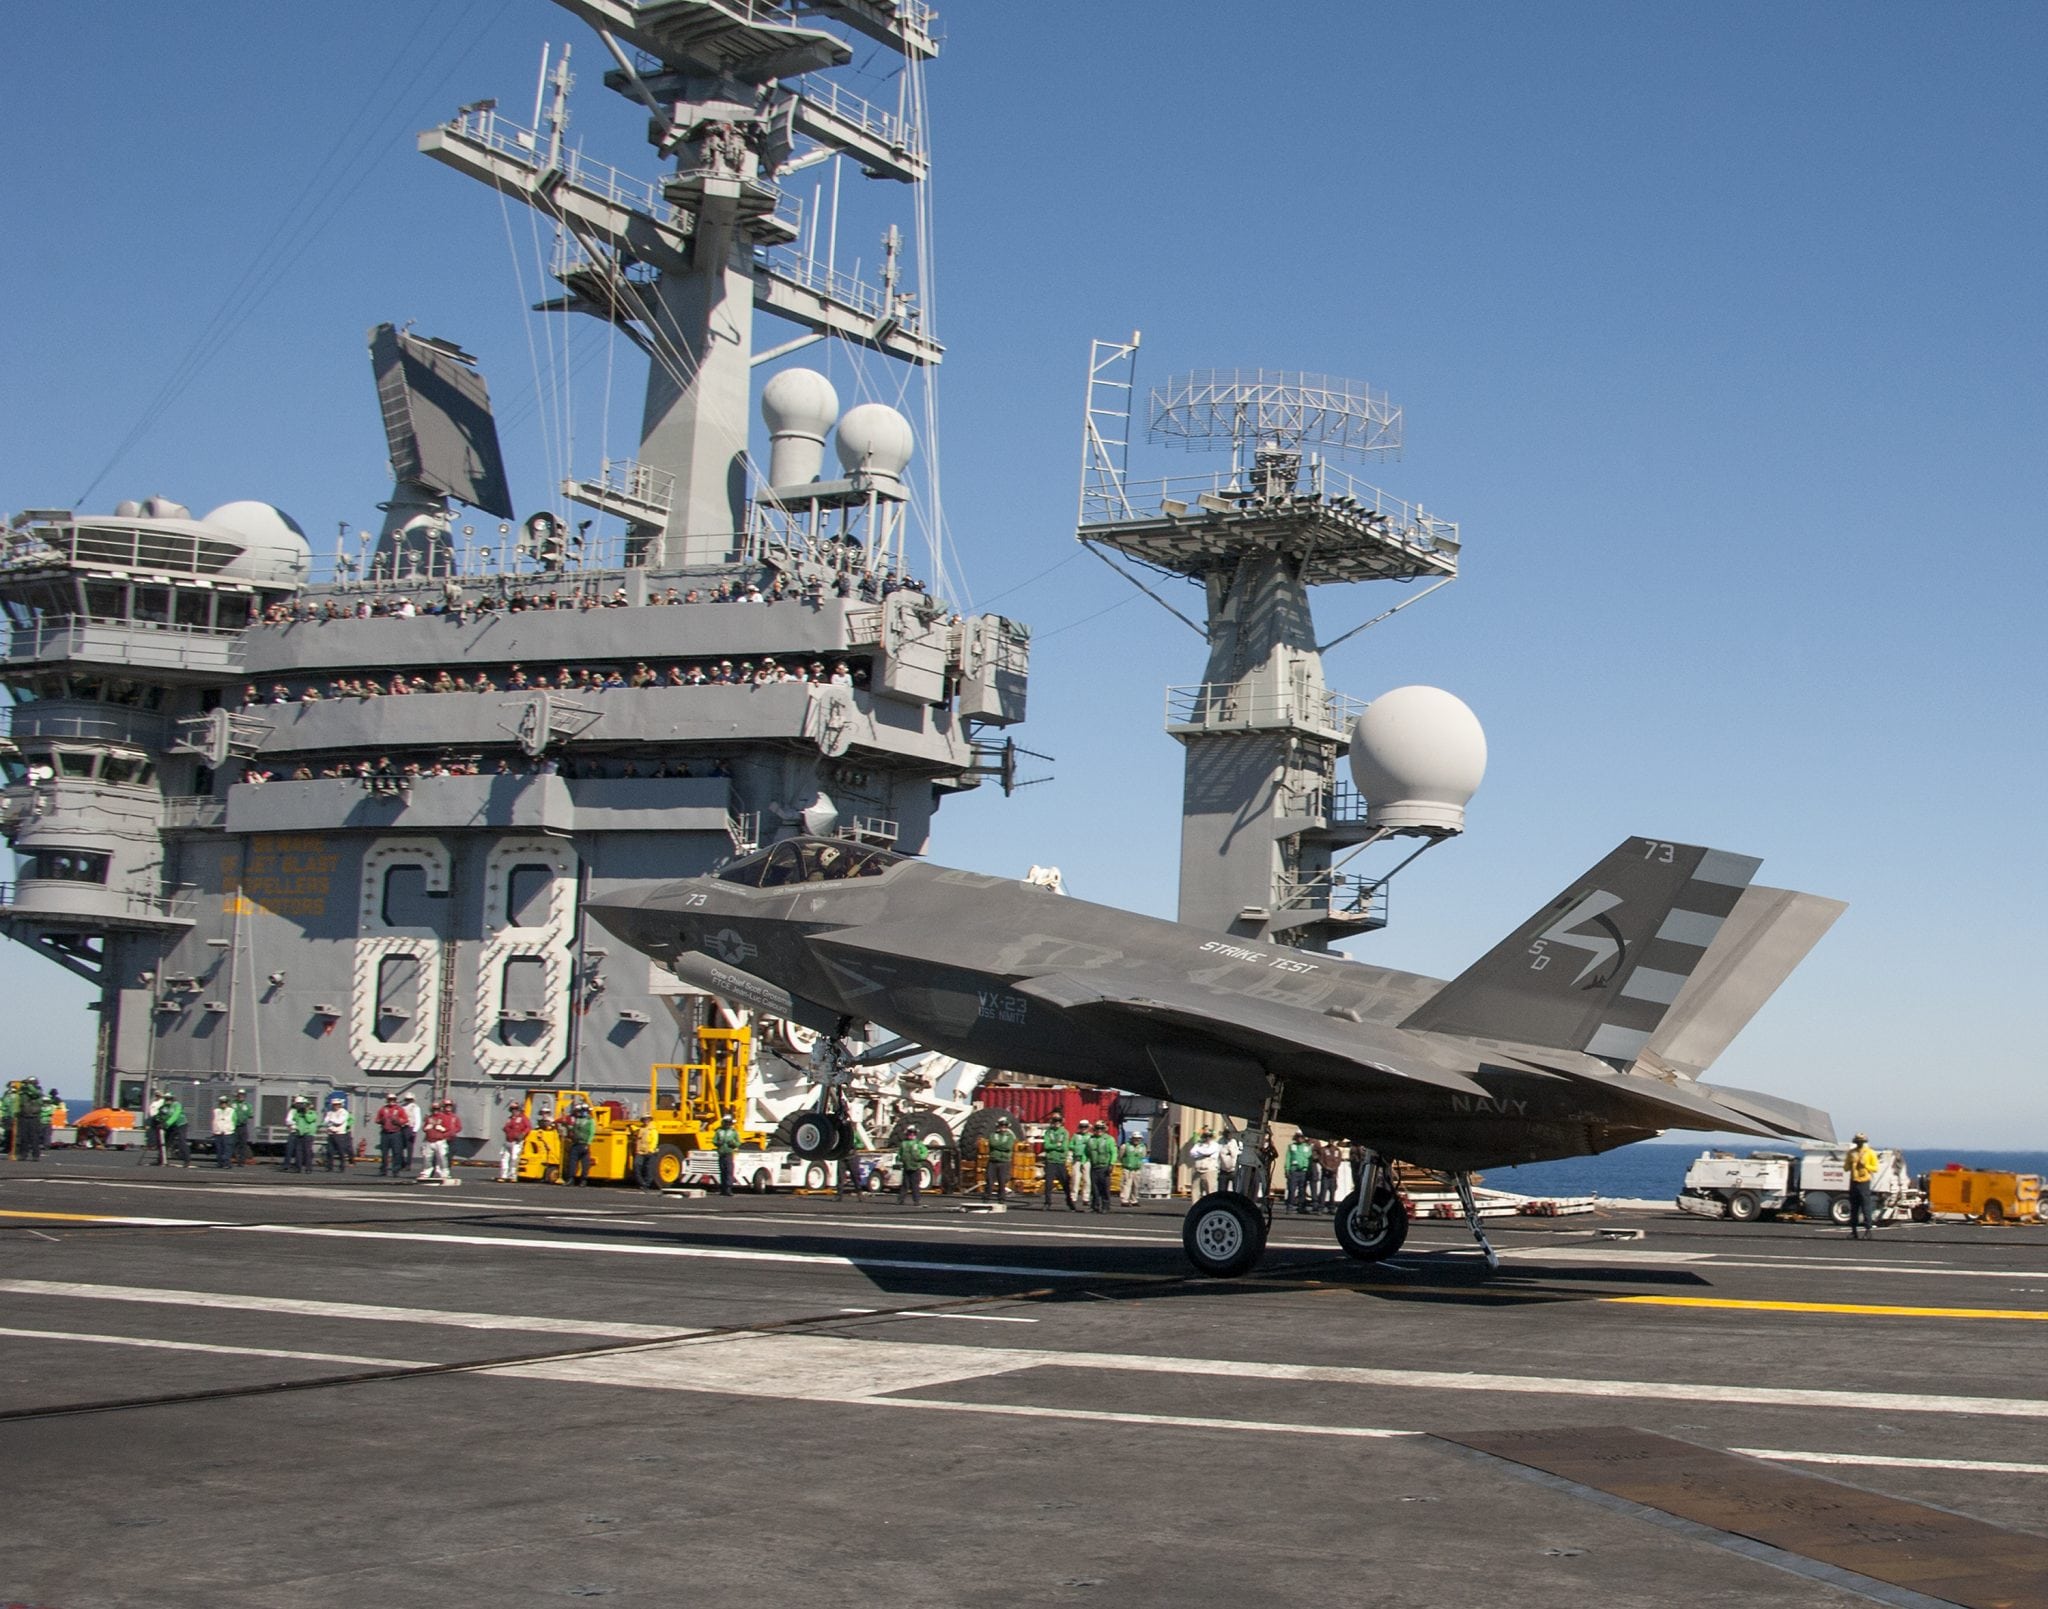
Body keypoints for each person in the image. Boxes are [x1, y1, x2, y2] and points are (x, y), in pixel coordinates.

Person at [1846, 1131, 1881, 1239]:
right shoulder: (1851, 1153)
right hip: (1854, 1181)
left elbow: (1875, 1168)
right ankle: (1853, 1231)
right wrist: (1851, 1163)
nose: (1859, 1143)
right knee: (1854, 1208)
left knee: (1866, 1207)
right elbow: (1846, 1167)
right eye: (1858, 1141)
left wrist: (1865, 1165)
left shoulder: (1870, 1153)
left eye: (1861, 1141)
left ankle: (1868, 1230)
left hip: (1864, 1182)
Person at [419, 1100, 461, 1184]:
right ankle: (426, 1173)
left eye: (437, 1109)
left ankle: (444, 1173)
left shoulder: (444, 1117)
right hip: (429, 1141)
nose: (435, 1111)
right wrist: (426, 1128)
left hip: (440, 1140)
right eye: (434, 1109)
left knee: (442, 1157)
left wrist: (444, 1133)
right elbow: (424, 1128)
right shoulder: (429, 1118)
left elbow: (451, 1130)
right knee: (427, 1158)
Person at [1040, 1114, 1075, 1211]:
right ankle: (1047, 1202)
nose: (1056, 1123)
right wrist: (1057, 1146)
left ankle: (1069, 1202)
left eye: (1058, 1121)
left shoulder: (1064, 1132)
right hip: (1050, 1160)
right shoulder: (1048, 1132)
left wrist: (1053, 1146)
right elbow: (1046, 1146)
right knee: (1048, 1184)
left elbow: (1064, 1147)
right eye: (1055, 1121)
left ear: (1061, 1122)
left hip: (1060, 1161)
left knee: (1065, 1183)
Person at [983, 1115, 1016, 1202]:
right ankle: (986, 1197)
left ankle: (1001, 1198)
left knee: (1002, 1181)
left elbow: (1008, 1147)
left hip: (1004, 1161)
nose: (1003, 1127)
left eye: (1005, 1126)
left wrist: (998, 1146)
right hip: (993, 1161)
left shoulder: (1010, 1136)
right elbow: (992, 1143)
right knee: (989, 1181)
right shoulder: (993, 1135)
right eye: (1001, 1125)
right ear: (998, 1126)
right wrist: (1001, 1146)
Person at [375, 1093, 409, 1177]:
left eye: (393, 1099)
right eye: (390, 1099)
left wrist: (398, 1121)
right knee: (384, 1153)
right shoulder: (383, 1109)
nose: (391, 1101)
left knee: (396, 1152)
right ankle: (383, 1170)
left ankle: (396, 1170)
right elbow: (377, 1119)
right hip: (385, 1133)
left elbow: (405, 1120)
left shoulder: (399, 1109)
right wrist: (381, 1121)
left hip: (396, 1133)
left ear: (395, 1100)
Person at [1087, 1123, 1116, 1213]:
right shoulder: (1091, 1139)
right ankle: (1095, 1205)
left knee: (1105, 1188)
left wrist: (1111, 1164)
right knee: (1094, 1188)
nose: (1099, 1130)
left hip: (1104, 1166)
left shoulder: (1109, 1139)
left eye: (1101, 1129)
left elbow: (1114, 1152)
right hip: (1094, 1166)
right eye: (1097, 1128)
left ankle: (1106, 1206)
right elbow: (1086, 1152)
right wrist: (1084, 1161)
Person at [565, 1101, 596, 1185]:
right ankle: (571, 1178)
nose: (583, 1112)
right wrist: (568, 1127)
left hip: (584, 1143)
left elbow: (591, 1132)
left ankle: (583, 1180)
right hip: (576, 1143)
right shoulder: (578, 1119)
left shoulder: (590, 1121)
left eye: (585, 1110)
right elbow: (573, 1129)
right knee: (572, 1162)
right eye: (583, 1110)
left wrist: (588, 1143)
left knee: (585, 1163)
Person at [285, 1096, 318, 1172]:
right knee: (298, 1151)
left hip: (308, 1134)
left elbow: (310, 1119)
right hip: (299, 1133)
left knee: (307, 1151)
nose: (302, 1107)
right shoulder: (297, 1113)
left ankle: (308, 1168)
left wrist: (305, 1113)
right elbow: (294, 1119)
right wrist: (294, 1126)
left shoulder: (312, 1113)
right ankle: (298, 1167)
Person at [712, 1110, 741, 1196]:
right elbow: (714, 1141)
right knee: (722, 1171)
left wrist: (733, 1144)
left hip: (729, 1154)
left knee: (729, 1171)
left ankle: (728, 1189)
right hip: (721, 1154)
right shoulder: (719, 1131)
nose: (727, 1124)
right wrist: (718, 1143)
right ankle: (723, 1189)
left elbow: (738, 1143)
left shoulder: (733, 1132)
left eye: (729, 1122)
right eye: (726, 1122)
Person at [500, 1104, 531, 1183]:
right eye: (513, 1109)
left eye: (516, 1109)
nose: (514, 1111)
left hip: (517, 1142)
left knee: (514, 1159)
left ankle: (512, 1176)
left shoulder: (523, 1118)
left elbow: (528, 1127)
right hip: (508, 1141)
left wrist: (522, 1134)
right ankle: (503, 1176)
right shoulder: (509, 1119)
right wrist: (508, 1132)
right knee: (504, 1158)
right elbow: (505, 1127)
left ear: (519, 1110)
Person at [320, 1094, 352, 1171]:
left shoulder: (343, 1112)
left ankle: (342, 1166)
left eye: (338, 1104)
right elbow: (325, 1121)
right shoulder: (330, 1112)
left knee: (341, 1151)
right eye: (334, 1104)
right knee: (330, 1151)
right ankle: (329, 1167)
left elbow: (339, 1121)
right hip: (331, 1134)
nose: (336, 1106)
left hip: (340, 1134)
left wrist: (331, 1121)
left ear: (340, 1105)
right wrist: (331, 1122)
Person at [896, 1129, 928, 1206]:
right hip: (906, 1167)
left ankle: (916, 1201)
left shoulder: (918, 1143)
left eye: (913, 1134)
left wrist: (920, 1157)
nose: (911, 1135)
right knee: (905, 1185)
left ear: (915, 1135)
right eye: (910, 1134)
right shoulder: (903, 1143)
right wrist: (899, 1159)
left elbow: (925, 1152)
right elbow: (899, 1153)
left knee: (915, 1185)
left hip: (915, 1167)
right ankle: (900, 1200)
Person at [1284, 1135, 1314, 1214]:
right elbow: (1288, 1158)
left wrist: (1310, 1171)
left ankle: (1301, 1207)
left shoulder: (1307, 1147)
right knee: (1291, 1189)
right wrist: (1287, 1169)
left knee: (1302, 1190)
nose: (1300, 1139)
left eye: (1301, 1137)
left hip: (1304, 1171)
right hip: (1294, 1171)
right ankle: (1289, 1207)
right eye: (1298, 1137)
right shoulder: (1291, 1146)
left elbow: (1310, 1160)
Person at [160, 1092, 191, 1167]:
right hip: (171, 1125)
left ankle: (187, 1160)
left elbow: (175, 1115)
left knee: (181, 1141)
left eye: (170, 1099)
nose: (168, 1100)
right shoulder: (164, 1107)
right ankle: (161, 1159)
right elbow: (163, 1116)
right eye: (166, 1099)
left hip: (181, 1124)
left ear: (173, 1099)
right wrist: (162, 1122)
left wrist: (167, 1123)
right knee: (166, 1141)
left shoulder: (177, 1105)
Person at [1188, 1129, 1220, 1198]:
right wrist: (1202, 1153)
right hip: (1197, 1170)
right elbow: (1192, 1153)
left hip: (1209, 1171)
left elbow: (1208, 1152)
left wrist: (1199, 1152)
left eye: (1209, 1136)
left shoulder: (1215, 1145)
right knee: (1195, 1191)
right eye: (1205, 1136)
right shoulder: (1198, 1144)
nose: (1207, 1138)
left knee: (1210, 1191)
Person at [1118, 1132, 1148, 1205]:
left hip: (1137, 1169)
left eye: (1138, 1138)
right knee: (1126, 1184)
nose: (1137, 1140)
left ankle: (1134, 1200)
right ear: (1131, 1138)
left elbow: (1143, 1156)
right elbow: (1120, 1156)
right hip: (1127, 1168)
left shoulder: (1143, 1147)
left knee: (1136, 1185)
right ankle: (1124, 1200)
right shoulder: (1125, 1146)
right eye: (1135, 1138)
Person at [632, 1117, 662, 1190]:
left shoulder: (653, 1130)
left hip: (649, 1152)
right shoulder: (641, 1129)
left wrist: (651, 1149)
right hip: (640, 1151)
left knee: (649, 1168)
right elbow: (635, 1131)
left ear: (650, 1121)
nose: (646, 1121)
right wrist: (631, 1126)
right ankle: (642, 1182)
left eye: (647, 1120)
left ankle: (646, 1184)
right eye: (645, 1120)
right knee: (636, 1165)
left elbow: (655, 1140)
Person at [211, 1093, 238, 1169]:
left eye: (225, 1102)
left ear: (227, 1103)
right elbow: (214, 1120)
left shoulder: (231, 1111)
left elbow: (234, 1121)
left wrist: (230, 1128)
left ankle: (227, 1163)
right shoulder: (216, 1111)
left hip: (228, 1133)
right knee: (219, 1149)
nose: (223, 1104)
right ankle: (220, 1163)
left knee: (227, 1149)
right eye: (222, 1102)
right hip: (218, 1133)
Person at [399, 1093, 424, 1174]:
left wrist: (415, 1130)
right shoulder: (402, 1107)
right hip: (402, 1128)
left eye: (410, 1099)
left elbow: (418, 1119)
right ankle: (402, 1163)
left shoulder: (415, 1107)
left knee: (409, 1147)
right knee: (399, 1147)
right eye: (407, 1099)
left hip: (410, 1128)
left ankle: (408, 1164)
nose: (408, 1101)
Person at [1070, 1121, 1093, 1207]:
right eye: (1082, 1126)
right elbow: (1070, 1145)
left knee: (1087, 1180)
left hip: (1087, 1160)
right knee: (1075, 1179)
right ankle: (1073, 1197)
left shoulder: (1091, 1136)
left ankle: (1086, 1198)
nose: (1083, 1128)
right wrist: (1077, 1148)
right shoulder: (1075, 1136)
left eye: (1085, 1127)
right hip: (1077, 1159)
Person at [231, 1090, 254, 1166]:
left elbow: (250, 1114)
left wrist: (244, 1115)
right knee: (233, 1143)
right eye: (240, 1095)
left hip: (243, 1126)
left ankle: (241, 1161)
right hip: (234, 1126)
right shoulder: (233, 1104)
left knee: (243, 1143)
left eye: (243, 1095)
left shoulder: (247, 1105)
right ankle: (232, 1157)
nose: (241, 1096)